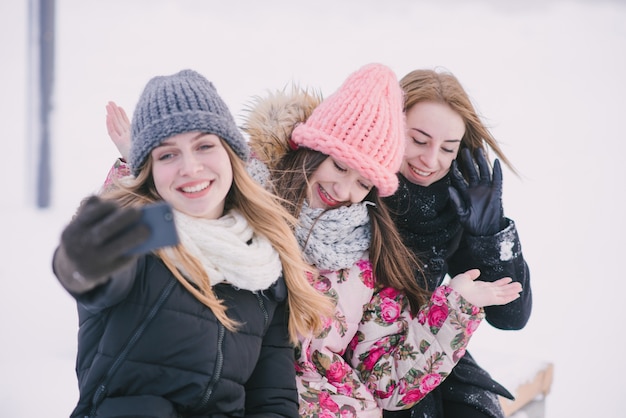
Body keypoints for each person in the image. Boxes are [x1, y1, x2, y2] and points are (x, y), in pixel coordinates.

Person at [241, 63, 522, 417]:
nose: (345, 191)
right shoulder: (248, 209)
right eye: (418, 140)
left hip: (375, 381)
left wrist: (487, 241)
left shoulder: (379, 247)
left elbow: (512, 313)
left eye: (363, 183)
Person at [52, 69, 333, 418]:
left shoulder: (263, 260)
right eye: (168, 155)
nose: (191, 167)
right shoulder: (144, 232)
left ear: (231, 153)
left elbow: (272, 400)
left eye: (204, 146)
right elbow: (87, 272)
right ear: (148, 170)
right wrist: (85, 250)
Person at [381, 69, 533, 418]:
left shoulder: (452, 200)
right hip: (362, 361)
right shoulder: (354, 185)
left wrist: (490, 234)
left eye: (447, 148)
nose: (430, 160)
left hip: (429, 349)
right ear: (391, 124)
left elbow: (511, 316)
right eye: (418, 141)